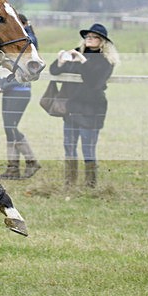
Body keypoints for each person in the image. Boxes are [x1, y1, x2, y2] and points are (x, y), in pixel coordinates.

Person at [49, 23, 119, 187]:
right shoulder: (76, 52)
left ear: (102, 41)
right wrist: (60, 61)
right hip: (72, 107)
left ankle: (90, 183)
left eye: (94, 37)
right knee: (69, 146)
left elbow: (94, 81)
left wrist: (83, 60)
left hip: (92, 108)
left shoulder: (106, 60)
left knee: (88, 148)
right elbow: (54, 70)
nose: (90, 39)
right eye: (88, 36)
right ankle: (70, 181)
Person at [0, 14, 40, 179]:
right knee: (8, 129)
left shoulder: (29, 39)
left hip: (20, 90)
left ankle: (31, 161)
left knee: (11, 127)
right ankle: (13, 168)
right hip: (8, 89)